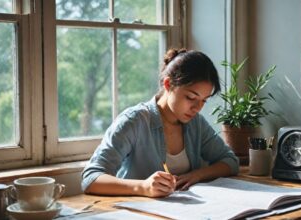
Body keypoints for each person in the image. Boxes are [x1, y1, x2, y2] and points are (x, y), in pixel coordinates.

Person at [81, 48, 239, 198]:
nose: (197, 108)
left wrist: (196, 175)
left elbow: (230, 161)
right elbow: (91, 179)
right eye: (191, 97)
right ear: (168, 84)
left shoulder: (195, 123)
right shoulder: (134, 121)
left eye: (203, 100)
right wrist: (143, 187)